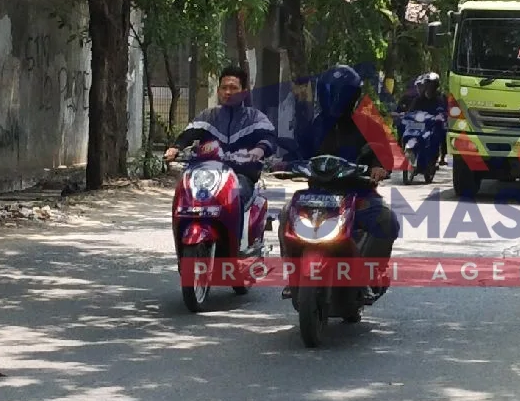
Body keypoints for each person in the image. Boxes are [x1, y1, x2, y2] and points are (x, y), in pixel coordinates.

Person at [279, 64, 400, 294]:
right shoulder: (313, 125)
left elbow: (384, 156)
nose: (336, 98)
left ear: (353, 96)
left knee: (387, 220)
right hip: (316, 195)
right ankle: (294, 276)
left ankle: (366, 276)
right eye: (331, 92)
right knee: (286, 213)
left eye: (341, 93)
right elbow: (298, 152)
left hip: (358, 194)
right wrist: (284, 162)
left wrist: (378, 168)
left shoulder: (369, 125)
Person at [164, 65, 276, 206]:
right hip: (208, 175)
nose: (228, 92)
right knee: (185, 196)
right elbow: (188, 135)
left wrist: (259, 149)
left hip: (240, 176)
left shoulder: (255, 118)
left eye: (233, 88)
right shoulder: (207, 116)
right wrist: (175, 148)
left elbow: (269, 137)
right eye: (224, 88)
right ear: (218, 91)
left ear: (244, 92)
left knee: (235, 197)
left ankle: (236, 228)